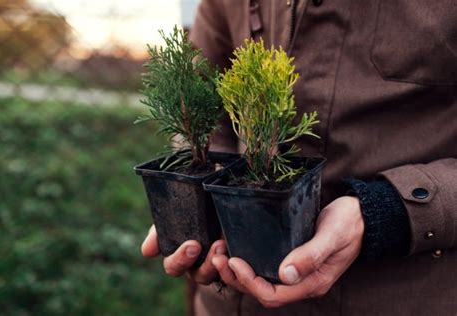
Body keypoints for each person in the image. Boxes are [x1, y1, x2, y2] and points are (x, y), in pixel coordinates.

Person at [142, 0, 457, 314]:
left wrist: (385, 212)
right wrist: (199, 206)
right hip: (232, 302)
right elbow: (207, 97)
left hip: (396, 295)